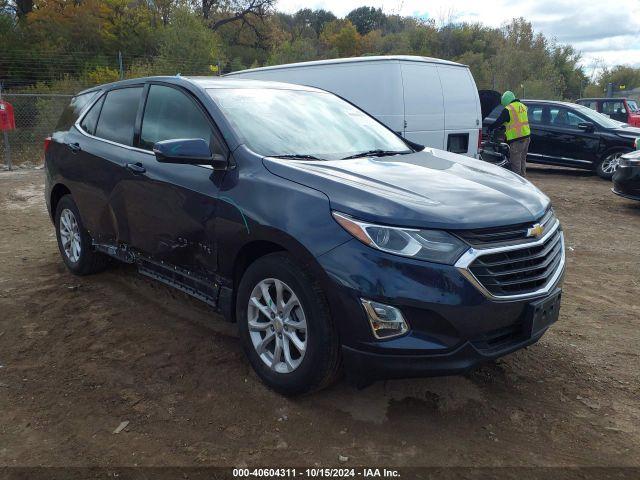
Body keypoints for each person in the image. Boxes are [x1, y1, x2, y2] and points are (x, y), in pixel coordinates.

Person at [488, 90, 530, 177]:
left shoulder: (509, 109)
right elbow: (516, 121)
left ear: (506, 101)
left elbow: (499, 122)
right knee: (522, 160)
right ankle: (524, 180)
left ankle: (517, 183)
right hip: (526, 137)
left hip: (517, 139)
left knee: (515, 163)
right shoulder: (522, 106)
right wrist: (505, 126)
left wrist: (490, 128)